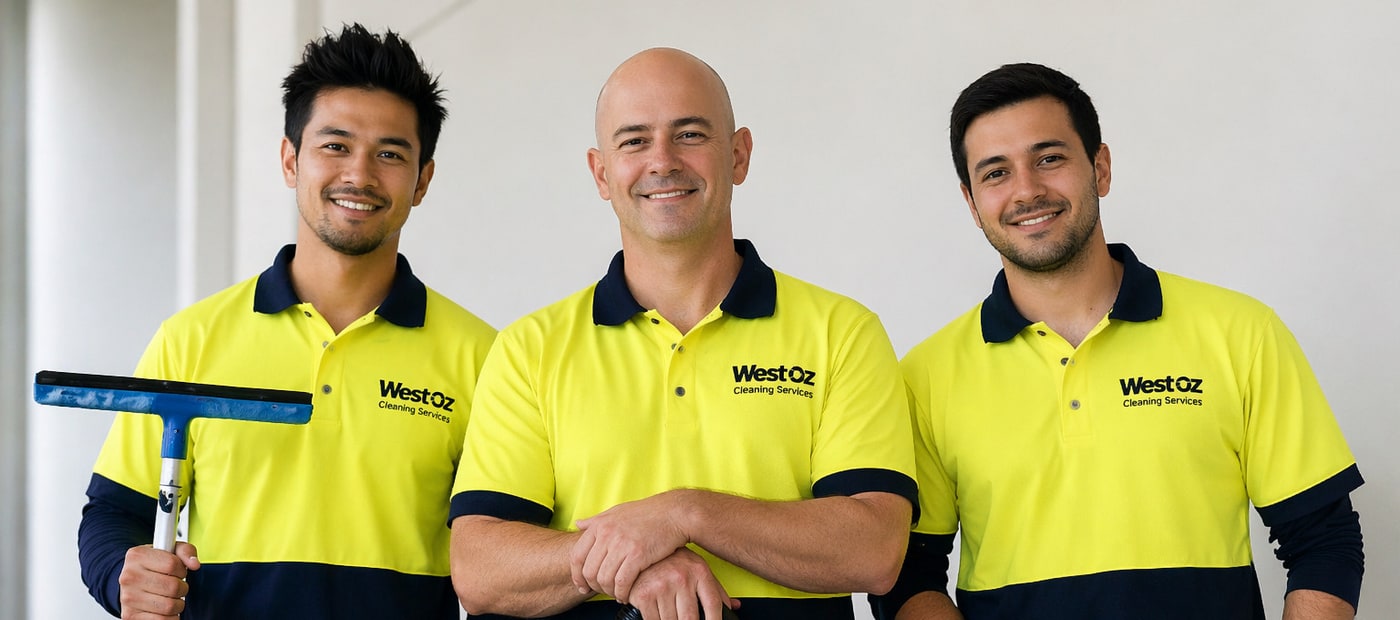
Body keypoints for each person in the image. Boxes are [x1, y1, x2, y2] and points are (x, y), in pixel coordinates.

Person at [872, 63, 1365, 620]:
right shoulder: (925, 375)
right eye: (996, 173)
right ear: (971, 201)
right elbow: (905, 574)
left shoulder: (1241, 333)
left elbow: (1323, 541)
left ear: (1100, 169)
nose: (1027, 190)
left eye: (1049, 158)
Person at [447, 48, 917, 620]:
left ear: (739, 155)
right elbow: (478, 567)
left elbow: (874, 549)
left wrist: (687, 514)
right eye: (634, 141)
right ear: (601, 172)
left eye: (690, 134)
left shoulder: (842, 332)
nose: (662, 161)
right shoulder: (529, 348)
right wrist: (636, 561)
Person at [77, 23, 496, 619]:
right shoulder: (192, 339)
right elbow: (115, 513)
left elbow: (503, 545)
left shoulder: (483, 357)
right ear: (289, 159)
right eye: (335, 145)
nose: (360, 174)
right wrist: (125, 573)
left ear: (423, 180)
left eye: (390, 153)